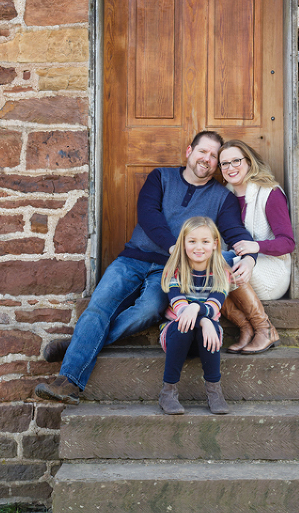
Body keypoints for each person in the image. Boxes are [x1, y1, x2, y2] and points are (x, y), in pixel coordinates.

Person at [35, 131, 258, 406]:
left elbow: (236, 233)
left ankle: (76, 347)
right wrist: (176, 248)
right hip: (133, 259)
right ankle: (68, 382)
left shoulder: (221, 198)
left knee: (147, 311)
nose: (208, 159)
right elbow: (149, 216)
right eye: (203, 151)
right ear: (189, 151)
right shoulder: (160, 177)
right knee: (100, 306)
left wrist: (249, 258)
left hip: (169, 271)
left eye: (214, 156)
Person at [217, 139, 295, 355]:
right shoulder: (225, 196)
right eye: (224, 164)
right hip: (236, 270)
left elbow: (288, 243)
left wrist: (255, 247)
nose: (231, 168)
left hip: (271, 272)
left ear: (249, 162)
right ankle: (246, 328)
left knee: (219, 263)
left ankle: (265, 328)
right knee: (202, 265)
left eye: (236, 161)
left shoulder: (269, 193)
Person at [157, 216, 230, 415]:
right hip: (176, 336)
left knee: (210, 325)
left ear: (215, 244)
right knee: (185, 325)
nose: (199, 247)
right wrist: (201, 315)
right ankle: (168, 392)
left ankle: (214, 391)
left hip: (206, 339)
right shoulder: (174, 271)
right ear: (183, 243)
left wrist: (202, 315)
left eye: (205, 242)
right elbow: (179, 307)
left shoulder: (221, 272)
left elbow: (214, 305)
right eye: (192, 241)